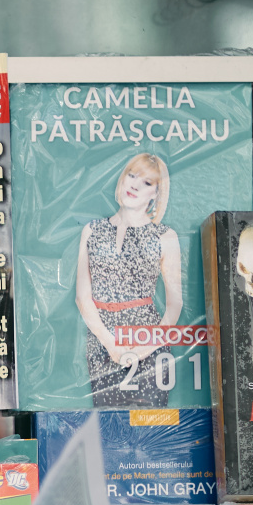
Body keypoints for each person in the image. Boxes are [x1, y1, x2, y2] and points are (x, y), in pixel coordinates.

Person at [74, 151, 183, 406]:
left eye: (146, 182)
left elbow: (175, 304)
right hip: (102, 341)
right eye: (132, 176)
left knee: (150, 424)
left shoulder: (165, 236)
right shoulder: (92, 230)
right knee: (108, 422)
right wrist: (110, 344)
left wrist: (145, 348)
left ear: (156, 193)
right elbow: (82, 297)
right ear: (122, 179)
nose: (134, 185)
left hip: (149, 341)